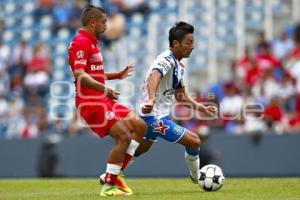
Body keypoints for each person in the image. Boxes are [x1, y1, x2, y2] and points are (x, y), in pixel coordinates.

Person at [68, 5, 146, 196]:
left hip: (100, 98)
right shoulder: (80, 42)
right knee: (124, 136)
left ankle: (114, 174)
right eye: (103, 21)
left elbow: (92, 73)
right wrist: (104, 88)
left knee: (140, 126)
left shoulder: (92, 42)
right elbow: (79, 74)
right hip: (91, 101)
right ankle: (109, 185)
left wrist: (115, 76)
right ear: (93, 22)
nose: (106, 25)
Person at [135, 22, 217, 183]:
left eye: (192, 42)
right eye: (188, 42)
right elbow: (154, 75)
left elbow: (181, 97)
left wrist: (201, 108)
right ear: (175, 43)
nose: (192, 46)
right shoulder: (167, 59)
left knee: (139, 150)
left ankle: (112, 172)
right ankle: (197, 177)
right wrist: (151, 99)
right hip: (154, 117)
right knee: (194, 141)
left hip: (158, 115)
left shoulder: (179, 65)